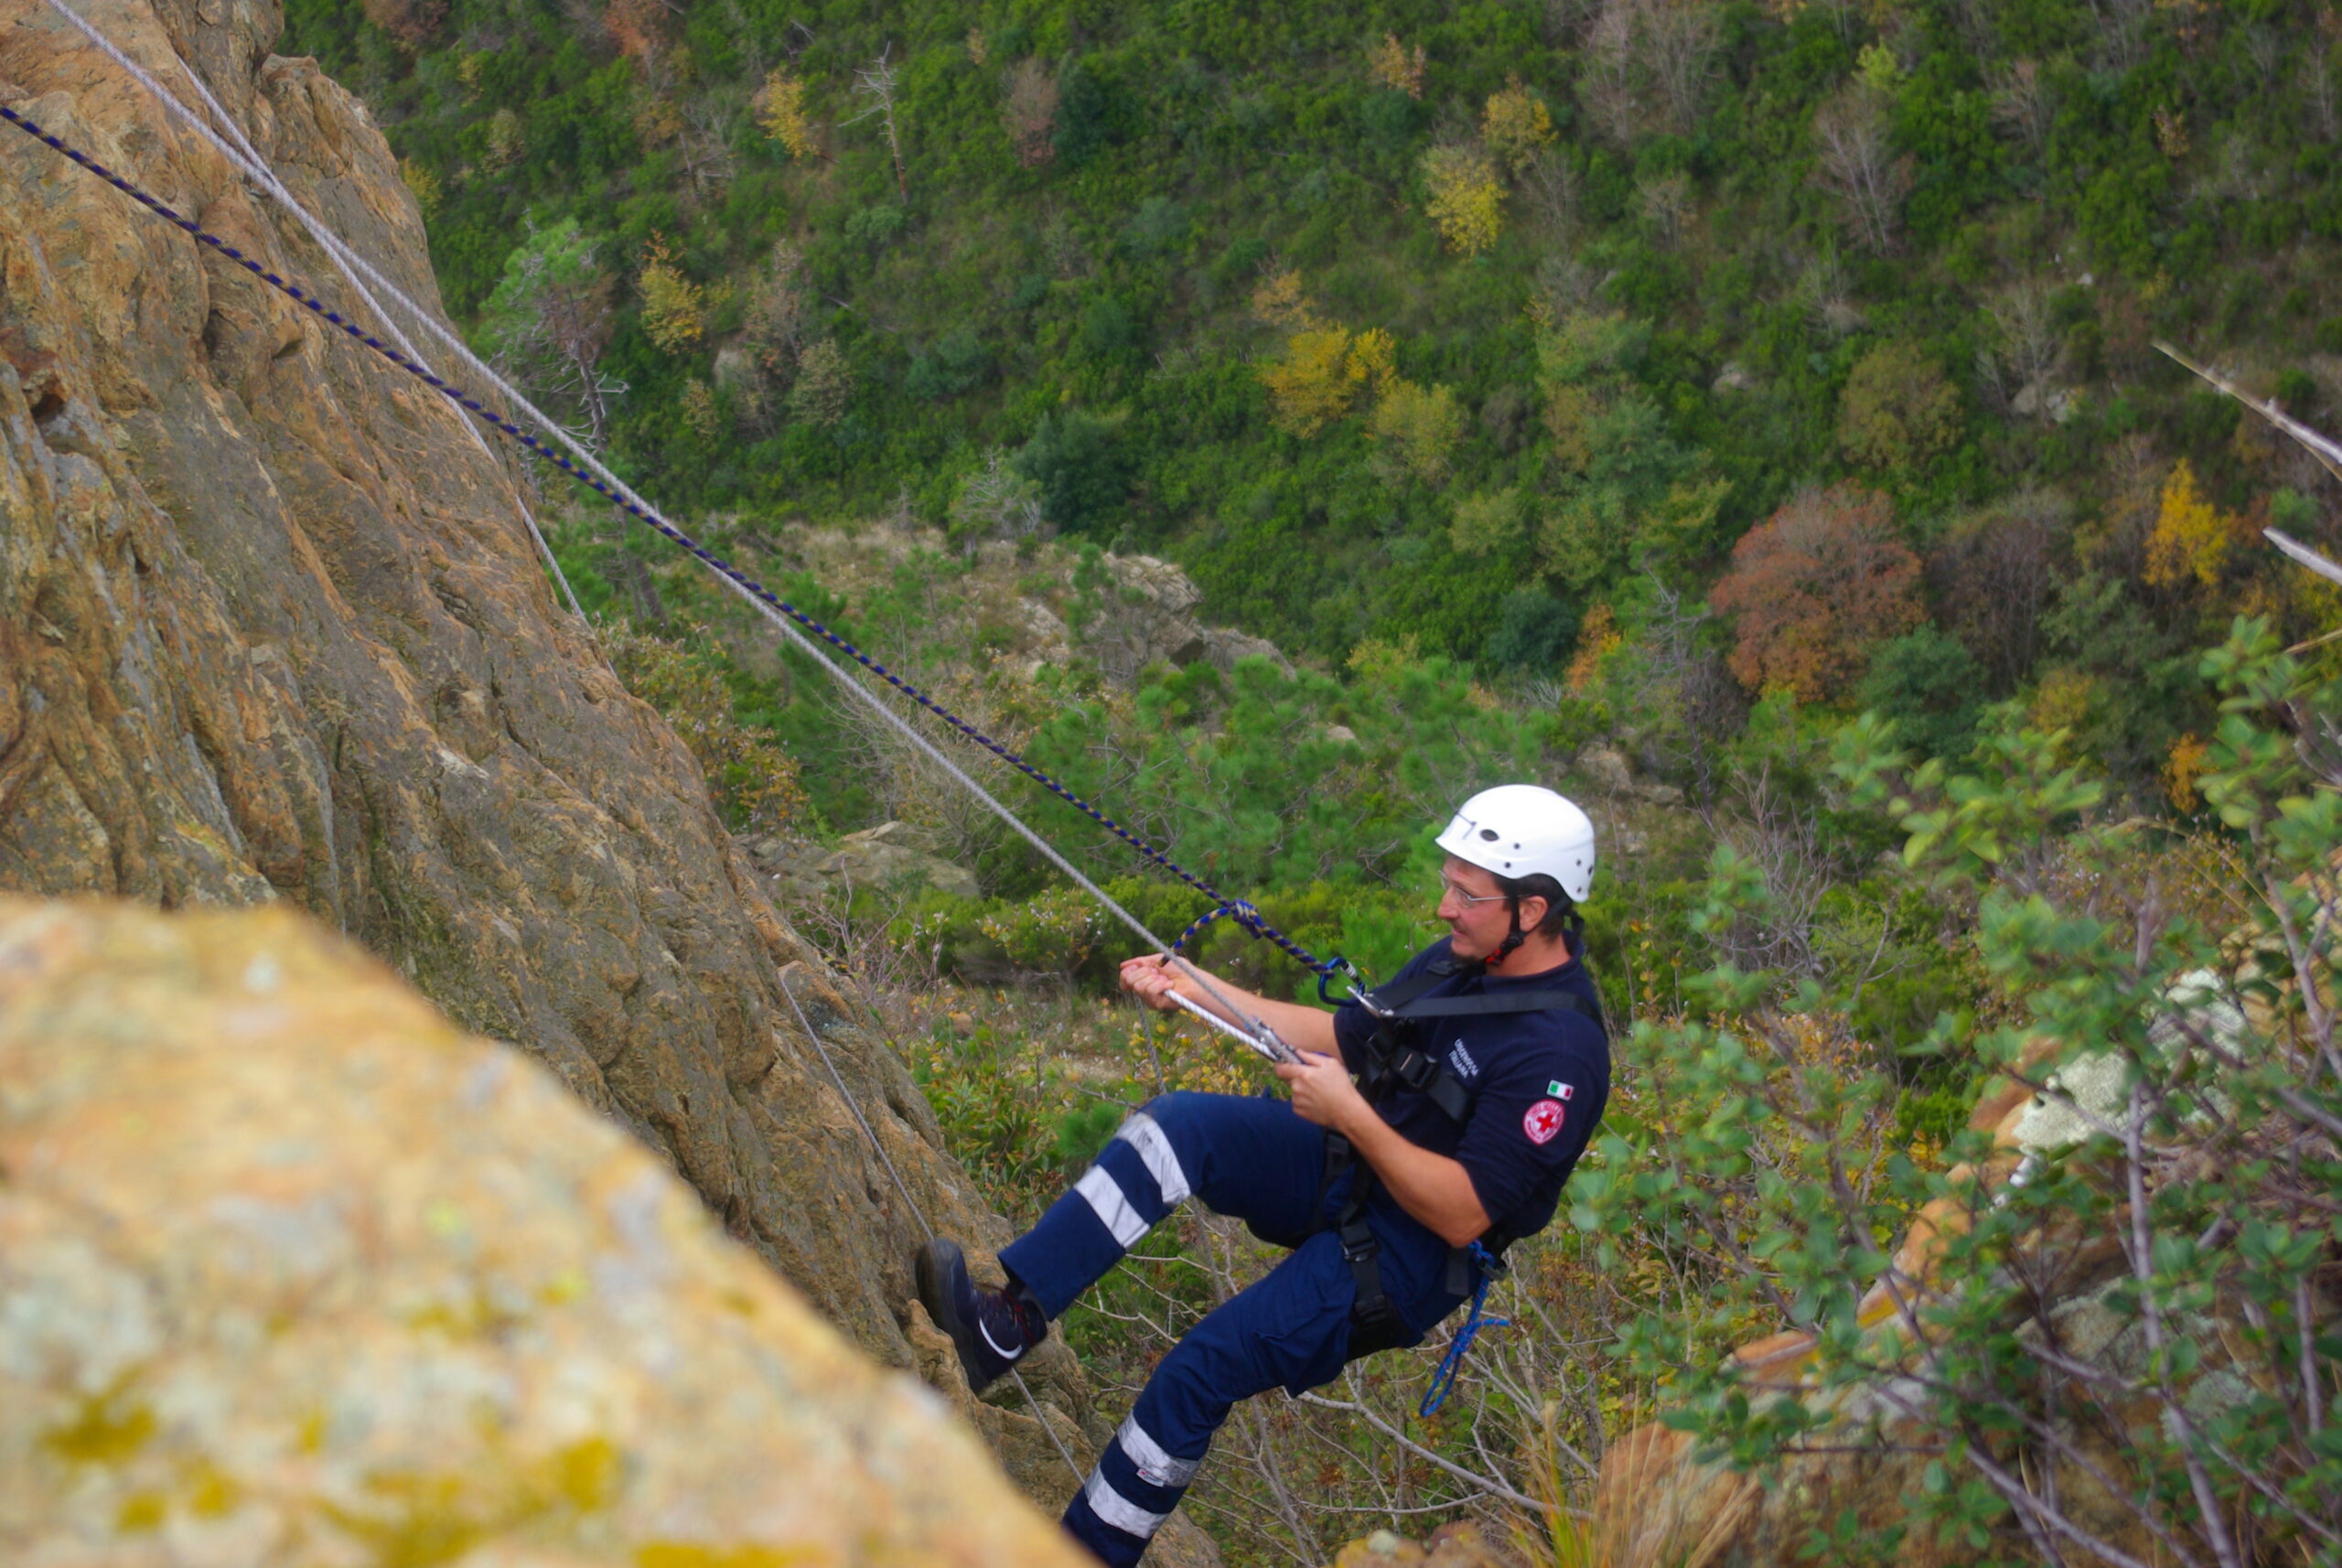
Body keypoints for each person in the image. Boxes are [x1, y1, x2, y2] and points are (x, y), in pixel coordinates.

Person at [915, 785, 1611, 1566]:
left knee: (1197, 1372)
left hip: (1406, 1257)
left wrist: (1350, 1115)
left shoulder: (1561, 1058)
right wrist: (1195, 988)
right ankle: (1005, 1324)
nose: (1445, 907)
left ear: (1533, 909)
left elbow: (1462, 1214)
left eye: (1467, 893)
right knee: (1178, 1128)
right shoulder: (1463, 963)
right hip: (1354, 1163)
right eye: (1447, 882)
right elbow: (1349, 1037)